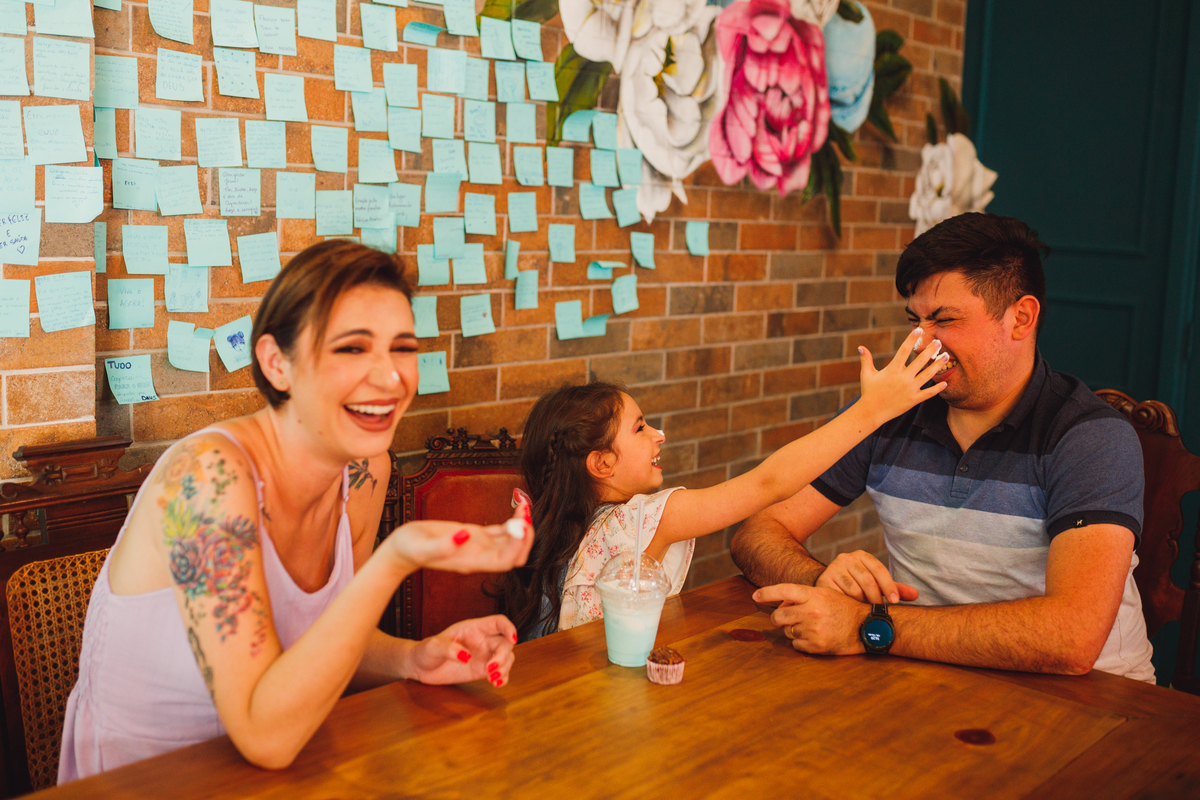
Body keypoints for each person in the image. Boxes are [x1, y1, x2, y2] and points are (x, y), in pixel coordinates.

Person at [60, 241, 535, 780]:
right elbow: (267, 738)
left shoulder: (365, 470)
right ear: (276, 363)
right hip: (149, 780)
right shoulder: (206, 478)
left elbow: (326, 640)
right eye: (352, 349)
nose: (390, 377)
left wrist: (413, 658)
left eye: (403, 348)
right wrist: (397, 556)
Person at [731, 213, 1155, 682]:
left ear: (1021, 317)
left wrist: (867, 626)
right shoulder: (889, 410)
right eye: (915, 320)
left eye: (944, 320)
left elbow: (1072, 639)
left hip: (1096, 702)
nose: (920, 342)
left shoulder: (1089, 437)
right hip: (929, 673)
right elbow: (757, 532)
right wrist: (824, 583)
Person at [493, 332, 952, 641]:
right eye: (639, 428)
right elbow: (769, 483)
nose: (659, 435)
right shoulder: (648, 517)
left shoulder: (554, 523)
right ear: (601, 463)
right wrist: (872, 411)